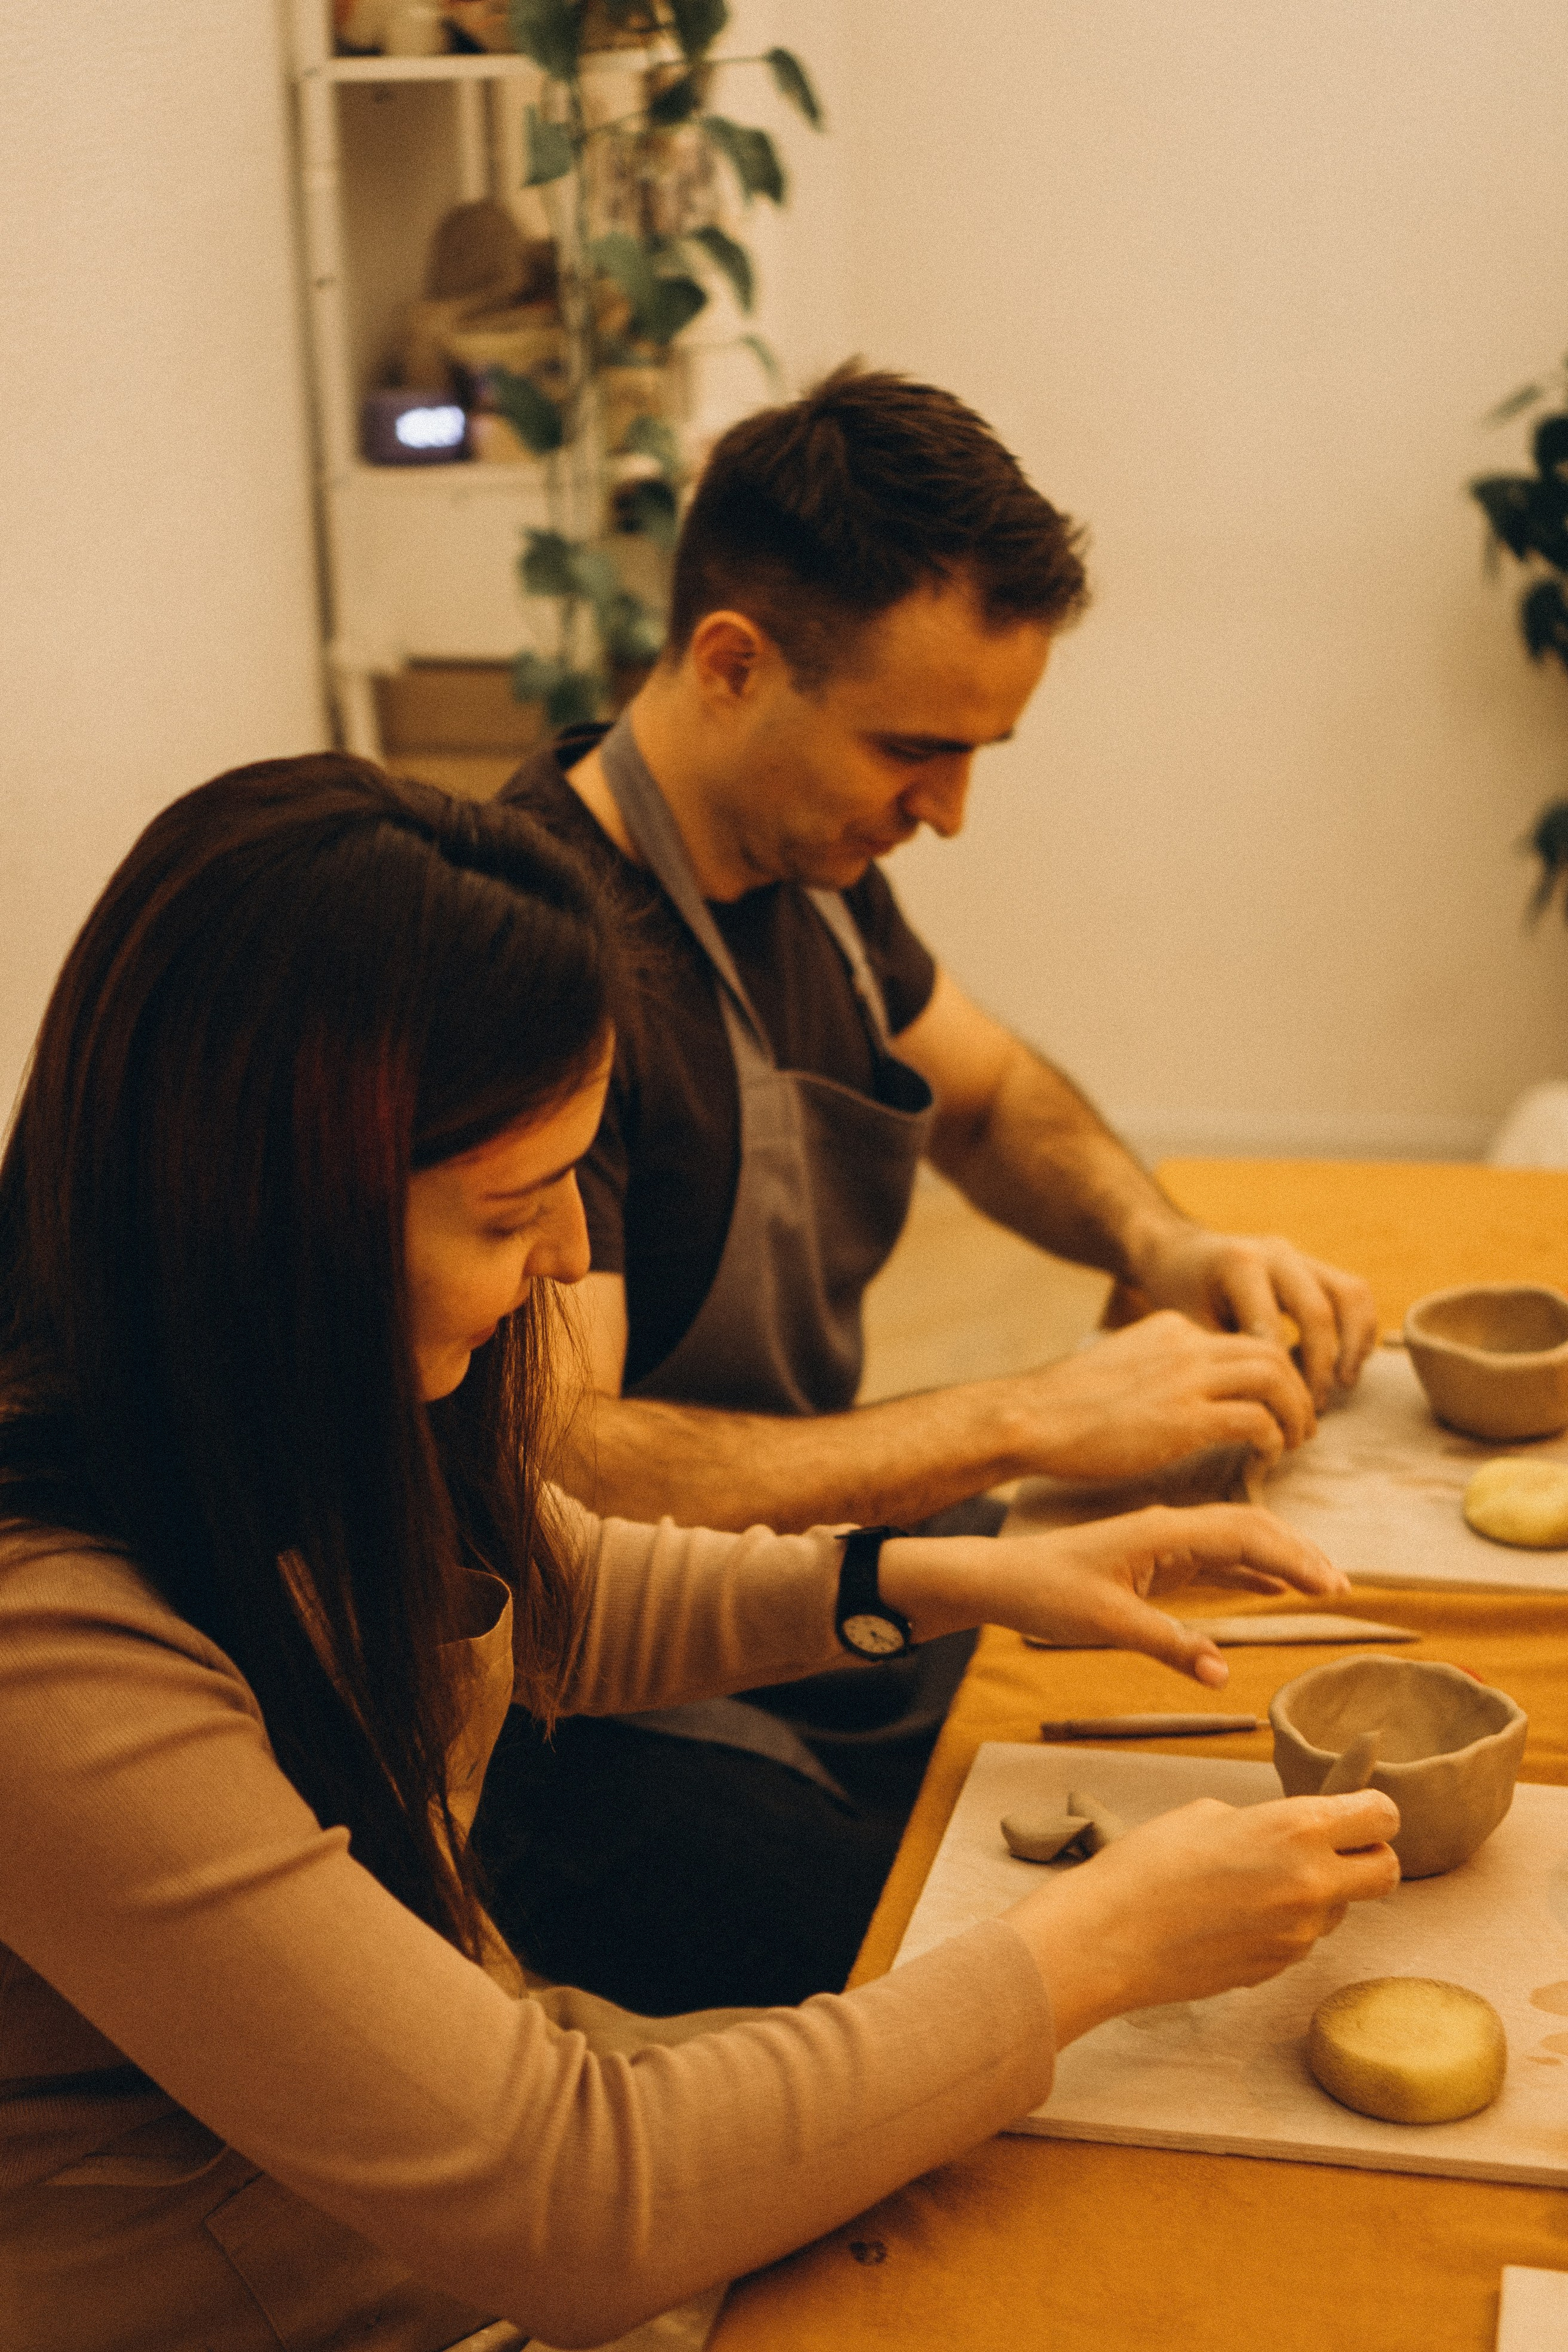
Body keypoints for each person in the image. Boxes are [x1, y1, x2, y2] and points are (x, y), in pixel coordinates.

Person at [0, 755, 1399, 2352]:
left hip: (479, 2169)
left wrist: (928, 1581)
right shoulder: (50, 1651)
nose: (575, 1258)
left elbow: (553, 1587)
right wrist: (1092, 1954)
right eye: (516, 1206)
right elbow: (563, 2196)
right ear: (276, 1209)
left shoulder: (277, 1385)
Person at [481, 364, 1381, 2008]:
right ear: (732, 662)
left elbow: (996, 1102)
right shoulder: (539, 957)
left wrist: (1164, 1243)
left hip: (821, 1577)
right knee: (1032, 1973)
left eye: (981, 754)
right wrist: (1025, 1415)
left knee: (1187, 1721)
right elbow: (565, 1457)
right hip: (599, 1708)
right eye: (916, 750)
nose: (951, 814)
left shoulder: (810, 872)